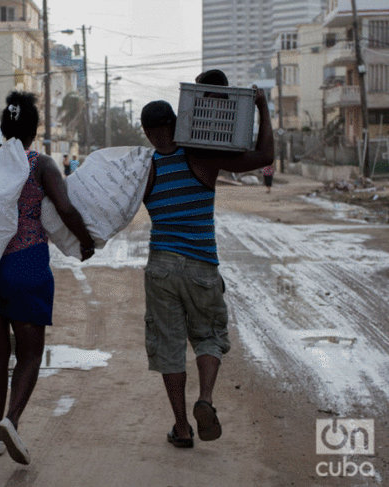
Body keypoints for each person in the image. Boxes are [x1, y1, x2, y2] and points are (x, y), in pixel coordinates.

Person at [139, 77, 273, 449]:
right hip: (201, 264)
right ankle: (206, 399)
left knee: (169, 347)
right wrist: (261, 107)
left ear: (148, 133)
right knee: (209, 336)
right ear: (176, 123)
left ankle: (182, 428)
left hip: (161, 265)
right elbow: (265, 158)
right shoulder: (201, 155)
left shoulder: (144, 169)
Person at [0, 91, 95, 464]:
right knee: (29, 353)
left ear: (3, 126)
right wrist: (86, 243)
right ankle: (11, 420)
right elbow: (66, 208)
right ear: (34, 130)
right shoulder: (41, 164)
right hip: (26, 263)